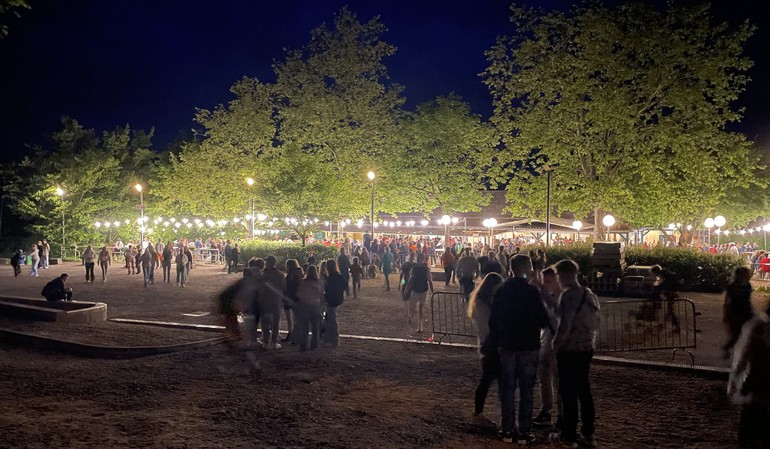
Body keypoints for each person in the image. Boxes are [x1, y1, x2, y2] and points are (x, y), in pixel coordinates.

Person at [486, 254, 551, 444]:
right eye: (530, 266)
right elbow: (542, 319)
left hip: (507, 344)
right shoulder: (532, 292)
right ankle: (524, 430)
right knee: (526, 389)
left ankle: (507, 429)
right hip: (528, 345)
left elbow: (493, 319)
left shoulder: (503, 289)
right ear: (525, 268)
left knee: (507, 388)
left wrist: (497, 339)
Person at [553, 259, 600, 449]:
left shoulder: (568, 296)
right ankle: (588, 432)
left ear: (564, 275)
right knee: (584, 390)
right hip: (587, 347)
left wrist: (556, 344)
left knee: (567, 392)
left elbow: (565, 325)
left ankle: (568, 434)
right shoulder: (590, 295)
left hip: (569, 349)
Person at [728, 301, 770, 448]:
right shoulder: (757, 327)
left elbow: (743, 357)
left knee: (750, 431)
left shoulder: (757, 327)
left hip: (757, 383)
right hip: (760, 385)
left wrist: (734, 381)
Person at [467, 272, 504, 427]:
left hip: (491, 344)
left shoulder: (485, 303)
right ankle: (480, 413)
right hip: (490, 345)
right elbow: (486, 328)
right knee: (488, 379)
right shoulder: (482, 305)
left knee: (490, 380)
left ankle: (484, 413)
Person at [532, 267, 564, 429]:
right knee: (544, 379)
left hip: (558, 345)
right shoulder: (547, 297)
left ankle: (561, 416)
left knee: (559, 382)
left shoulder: (563, 298)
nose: (545, 285)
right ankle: (546, 410)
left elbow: (557, 313)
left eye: (548, 281)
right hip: (545, 342)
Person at [723, 267, 754, 359]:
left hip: (745, 312)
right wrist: (726, 314)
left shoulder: (747, 286)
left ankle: (732, 349)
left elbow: (747, 300)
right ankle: (728, 348)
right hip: (735, 313)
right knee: (737, 333)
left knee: (744, 333)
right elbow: (728, 301)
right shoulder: (734, 286)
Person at [258, 255, 287, 349]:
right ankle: (274, 342)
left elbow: (260, 289)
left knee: (265, 322)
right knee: (276, 322)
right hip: (277, 300)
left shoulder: (263, 275)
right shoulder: (280, 275)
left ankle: (266, 342)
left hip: (266, 300)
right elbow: (283, 288)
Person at [295, 265, 325, 351]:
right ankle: (315, 344)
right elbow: (322, 295)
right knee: (315, 327)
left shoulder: (303, 282)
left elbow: (299, 294)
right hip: (316, 305)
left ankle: (304, 344)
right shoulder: (319, 282)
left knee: (304, 327)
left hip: (305, 305)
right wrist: (322, 306)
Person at [403, 256, 433, 333]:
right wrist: (432, 291)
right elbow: (430, 280)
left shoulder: (413, 268)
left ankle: (410, 316)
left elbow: (409, 279)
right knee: (421, 308)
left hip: (415, 289)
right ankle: (420, 326)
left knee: (411, 305)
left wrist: (405, 287)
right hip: (423, 289)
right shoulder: (426, 269)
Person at [323, 259, 347, 346]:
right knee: (330, 317)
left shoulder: (331, 277)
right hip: (337, 298)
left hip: (332, 299)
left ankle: (334, 339)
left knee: (331, 318)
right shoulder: (338, 276)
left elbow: (328, 289)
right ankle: (330, 337)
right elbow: (344, 286)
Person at [650, 264, 680, 330]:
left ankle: (676, 326)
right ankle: (664, 324)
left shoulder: (664, 275)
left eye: (654, 273)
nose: (655, 275)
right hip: (671, 293)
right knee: (669, 310)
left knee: (670, 310)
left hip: (671, 293)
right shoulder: (666, 274)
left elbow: (664, 285)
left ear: (656, 271)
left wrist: (658, 290)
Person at [283, 259, 303, 344]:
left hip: (288, 296)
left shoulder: (289, 275)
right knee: (296, 317)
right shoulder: (299, 272)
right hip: (296, 297)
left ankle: (291, 334)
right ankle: (296, 335)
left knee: (289, 318)